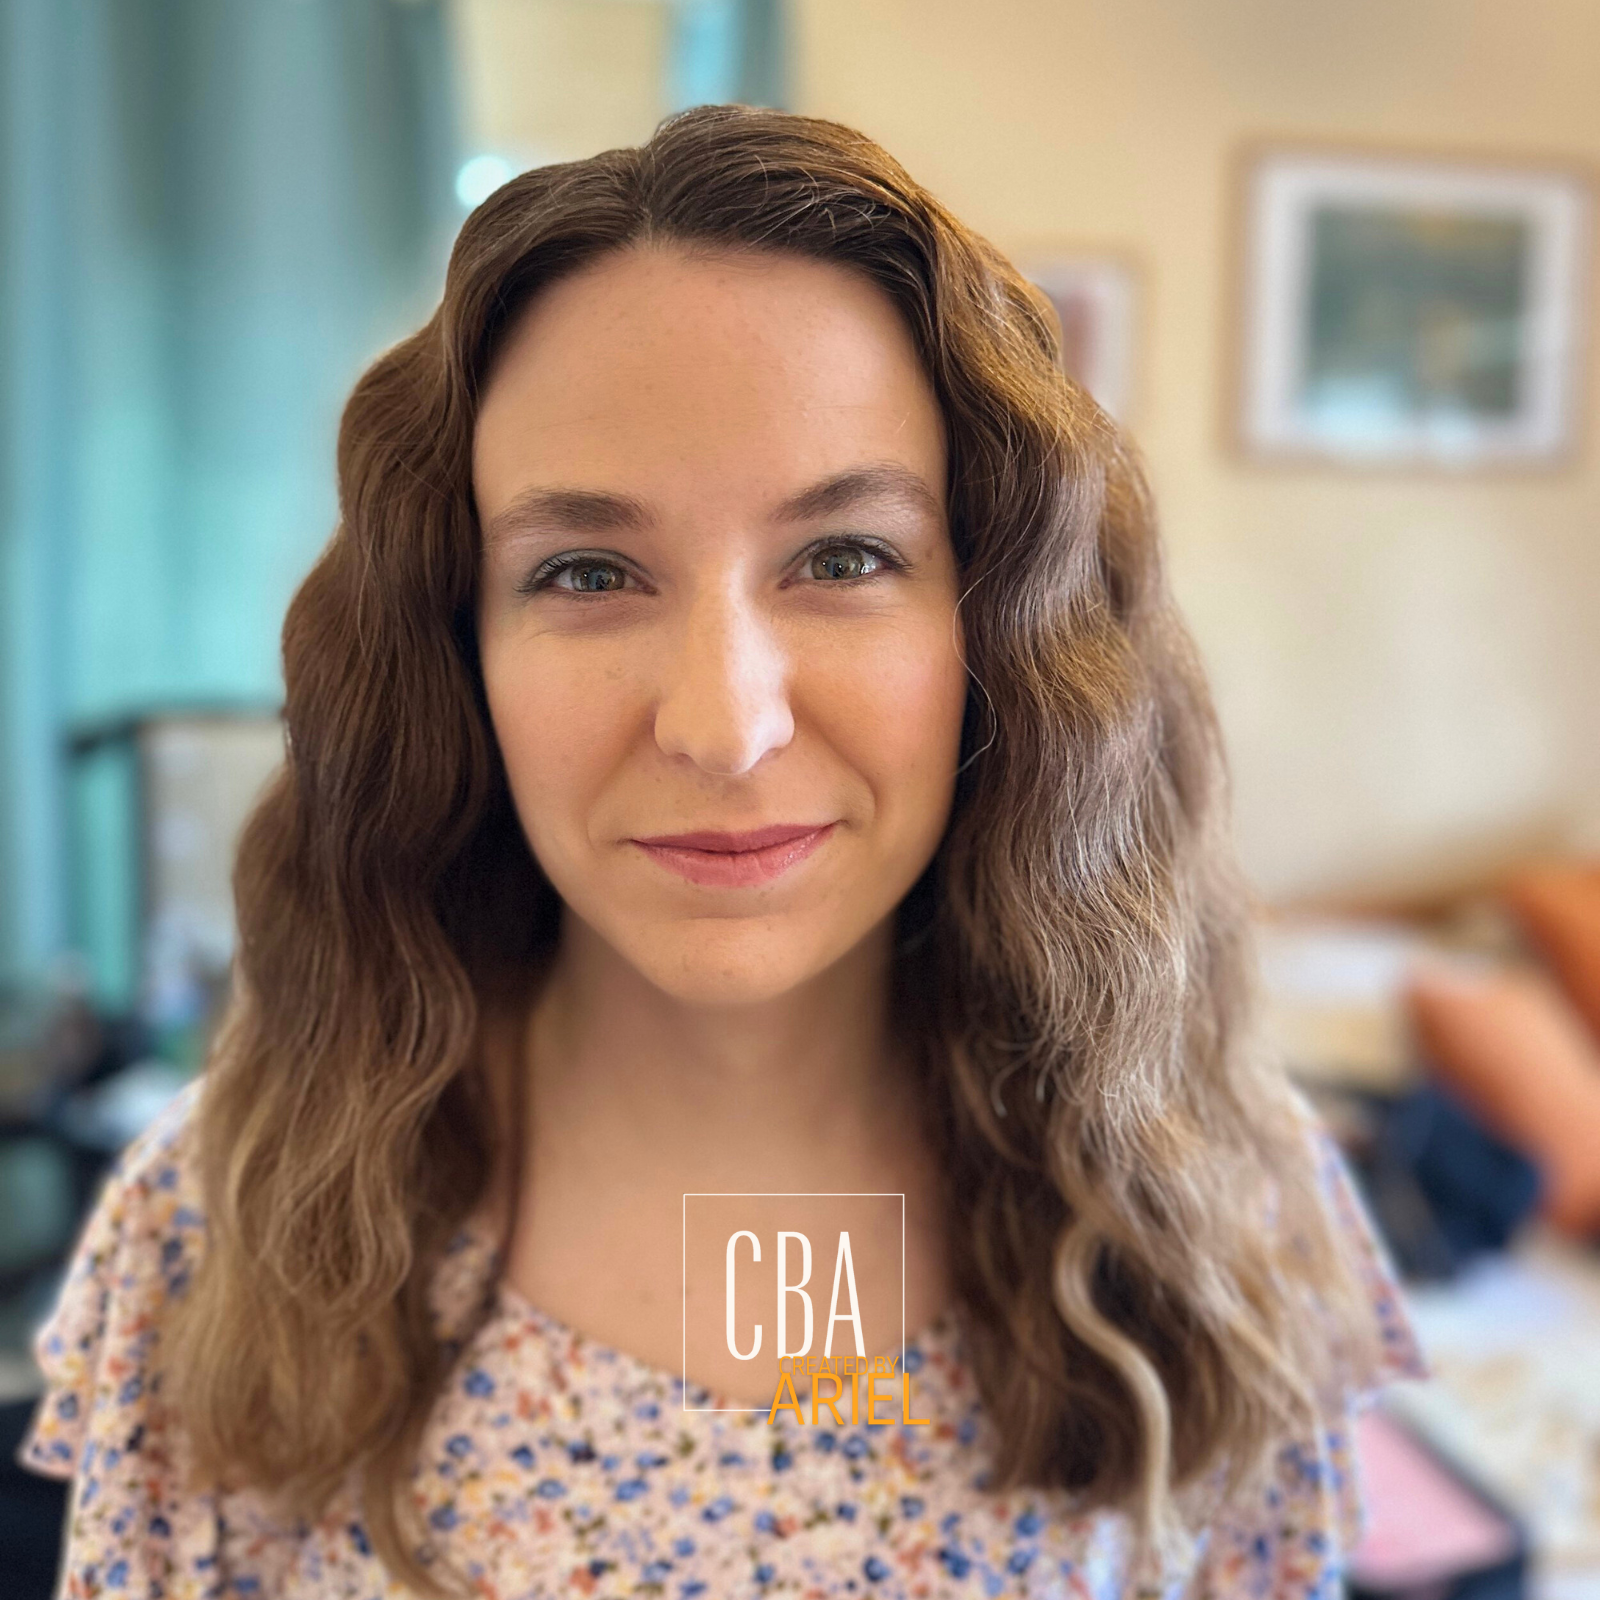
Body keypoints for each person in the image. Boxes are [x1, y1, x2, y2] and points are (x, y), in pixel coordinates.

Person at [17, 103, 1425, 1599]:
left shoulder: (1224, 1208)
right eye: (586, 572)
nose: (723, 724)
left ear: (1003, 636)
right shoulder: (217, 1235)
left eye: (845, 558)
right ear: (457, 653)